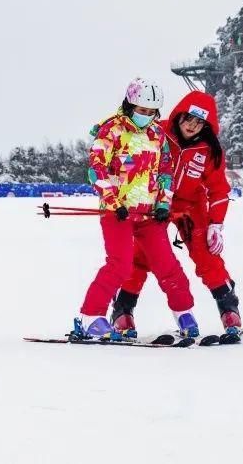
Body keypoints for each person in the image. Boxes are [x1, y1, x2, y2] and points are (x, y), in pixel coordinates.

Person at [73, 77, 199, 341]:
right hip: (118, 213)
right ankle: (90, 317)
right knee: (120, 264)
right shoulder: (112, 131)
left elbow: (165, 171)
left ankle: (184, 313)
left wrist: (164, 203)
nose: (147, 116)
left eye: (152, 112)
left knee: (167, 265)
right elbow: (95, 170)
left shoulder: (157, 135)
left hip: (149, 214)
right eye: (142, 111)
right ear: (130, 105)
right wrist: (113, 202)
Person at [110, 90, 243, 337]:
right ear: (178, 116)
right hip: (157, 202)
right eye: (188, 119)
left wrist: (216, 223)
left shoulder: (210, 150)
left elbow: (218, 189)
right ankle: (123, 309)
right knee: (142, 255)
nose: (192, 126)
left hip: (192, 206)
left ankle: (228, 306)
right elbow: (130, 161)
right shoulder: (156, 134)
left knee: (206, 254)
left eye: (199, 122)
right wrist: (122, 190)